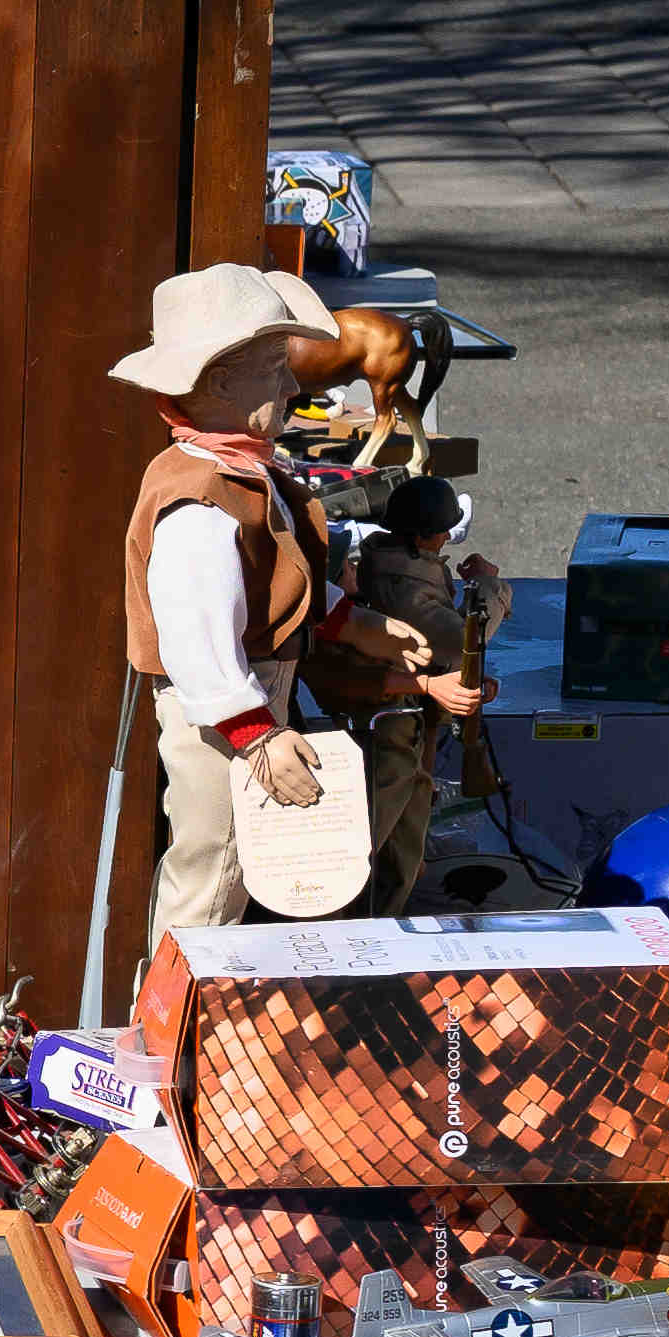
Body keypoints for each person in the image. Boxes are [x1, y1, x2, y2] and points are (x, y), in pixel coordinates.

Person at [115, 267, 466, 946]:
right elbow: (199, 641)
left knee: (234, 872)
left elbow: (275, 577)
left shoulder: (244, 473)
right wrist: (255, 736)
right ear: (214, 384)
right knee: (211, 873)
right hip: (222, 718)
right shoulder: (198, 499)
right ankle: (169, 1033)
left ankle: (192, 1017)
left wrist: (353, 623)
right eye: (274, 368)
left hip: (248, 703)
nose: (291, 386)